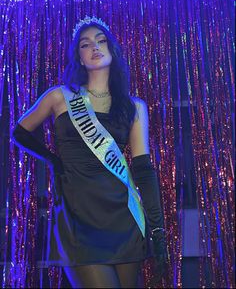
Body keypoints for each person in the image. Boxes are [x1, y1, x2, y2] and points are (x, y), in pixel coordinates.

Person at [12, 16, 168, 288]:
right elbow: (20, 132)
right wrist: (52, 160)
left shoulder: (134, 107)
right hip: (77, 218)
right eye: (85, 44)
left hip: (124, 219)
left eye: (101, 40)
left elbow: (143, 170)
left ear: (112, 50)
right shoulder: (60, 97)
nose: (94, 47)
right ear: (80, 57)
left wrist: (157, 230)